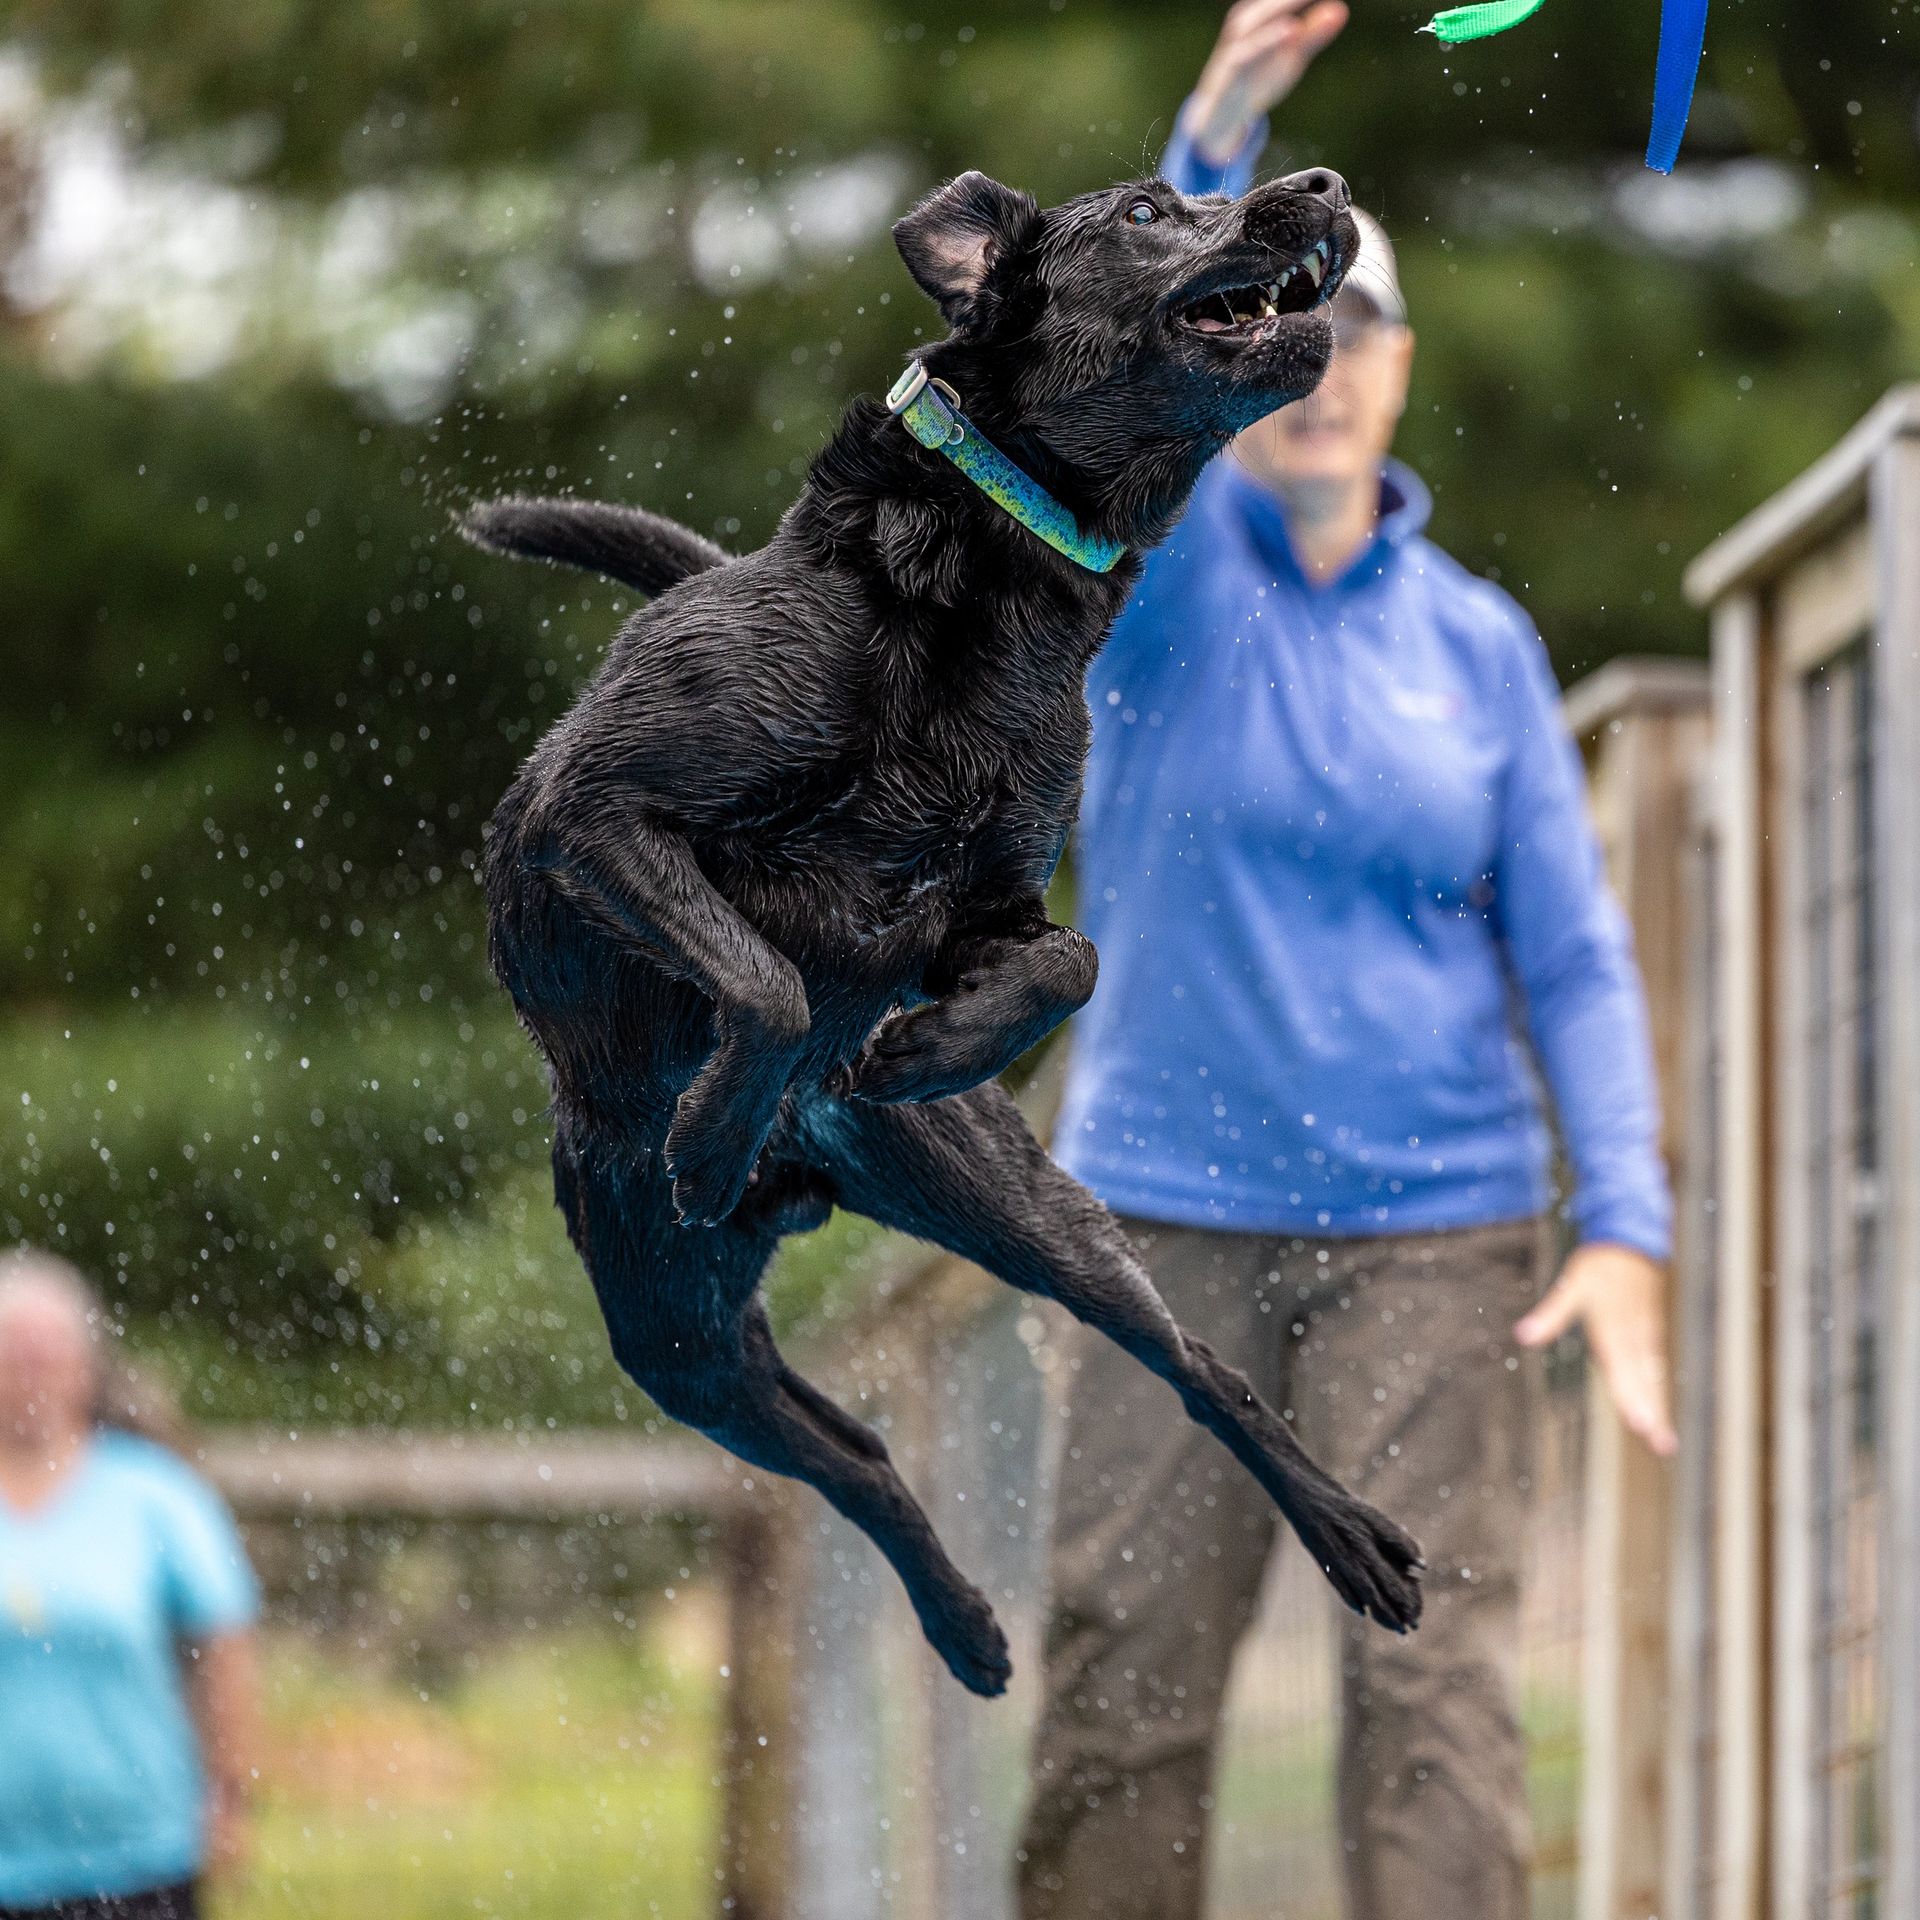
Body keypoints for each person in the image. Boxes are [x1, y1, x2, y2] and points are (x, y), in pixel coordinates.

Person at [1016, 6, 1678, 1917]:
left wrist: (1622, 1222)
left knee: (1436, 1697)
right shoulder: (1160, 578)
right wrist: (1224, 118)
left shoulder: (1480, 651)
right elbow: (1139, 321)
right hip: (1163, 1221)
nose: (1320, 366)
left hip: (1434, 1234)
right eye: (1277, 327)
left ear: (1398, 367)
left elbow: (1575, 959)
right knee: (1127, 1687)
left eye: (1355, 326)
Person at [0, 1251, 260, 1920]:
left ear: (88, 1364)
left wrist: (230, 1793)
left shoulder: (156, 1496)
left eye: (47, 1351)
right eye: (13, 1351)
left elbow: (224, 1646)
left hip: (139, 1859)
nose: (30, 1372)